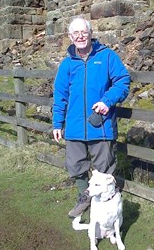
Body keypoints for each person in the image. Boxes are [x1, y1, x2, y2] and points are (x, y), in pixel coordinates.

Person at [52, 16, 130, 218]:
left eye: (83, 32)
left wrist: (107, 100)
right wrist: (57, 123)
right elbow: (60, 96)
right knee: (75, 166)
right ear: (70, 37)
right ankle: (84, 198)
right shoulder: (67, 64)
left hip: (101, 125)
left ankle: (108, 209)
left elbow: (122, 81)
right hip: (75, 127)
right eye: (75, 33)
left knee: (104, 170)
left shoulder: (107, 57)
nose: (80, 36)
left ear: (90, 33)